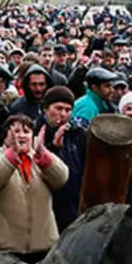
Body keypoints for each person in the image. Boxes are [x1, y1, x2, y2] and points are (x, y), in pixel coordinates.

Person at [0, 114, 69, 264]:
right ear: (5, 135)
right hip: (3, 248)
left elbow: (62, 178)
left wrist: (44, 154)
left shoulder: (40, 157)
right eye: (16, 131)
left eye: (26, 132)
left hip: (43, 245)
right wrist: (10, 157)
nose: (21, 135)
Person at [35, 87, 86, 232]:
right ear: (46, 109)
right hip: (48, 209)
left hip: (72, 206)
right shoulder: (35, 132)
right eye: (58, 108)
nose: (63, 114)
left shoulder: (77, 134)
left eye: (68, 110)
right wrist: (54, 148)